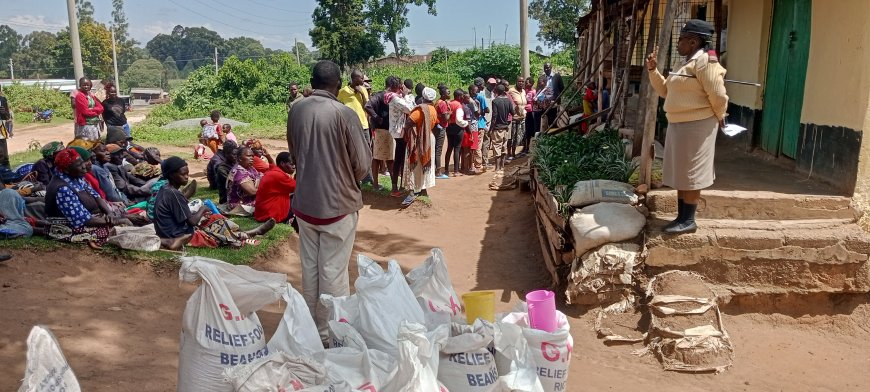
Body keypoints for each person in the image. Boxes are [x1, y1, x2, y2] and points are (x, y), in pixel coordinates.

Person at [286, 60, 371, 340]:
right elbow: (362, 165)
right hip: (337, 205)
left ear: (313, 80)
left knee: (310, 271)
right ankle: (331, 334)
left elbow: (294, 152)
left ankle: (311, 329)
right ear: (338, 84)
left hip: (305, 203)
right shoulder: (344, 114)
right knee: (333, 272)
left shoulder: (296, 109)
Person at [646, 19, 728, 234]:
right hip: (678, 123)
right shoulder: (683, 63)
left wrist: (720, 115)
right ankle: (681, 217)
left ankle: (689, 220)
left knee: (692, 172)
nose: (678, 43)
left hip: (698, 124)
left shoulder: (705, 62)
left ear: (693, 42)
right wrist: (653, 71)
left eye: (681, 39)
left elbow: (718, 94)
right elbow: (665, 91)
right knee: (682, 172)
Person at [153, 156, 275, 250]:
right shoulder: (174, 194)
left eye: (187, 173)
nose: (186, 177)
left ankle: (247, 233)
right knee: (213, 233)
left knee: (215, 218)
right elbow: (191, 222)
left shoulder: (165, 189)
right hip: (177, 234)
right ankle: (242, 236)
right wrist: (203, 209)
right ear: (171, 175)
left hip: (169, 230)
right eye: (183, 174)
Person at [44, 148, 131, 248]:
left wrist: (109, 213)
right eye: (79, 165)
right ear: (67, 169)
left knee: (123, 220)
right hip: (67, 226)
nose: (84, 167)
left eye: (82, 162)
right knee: (118, 228)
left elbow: (96, 196)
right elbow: (83, 220)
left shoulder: (76, 177)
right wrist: (114, 221)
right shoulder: (63, 188)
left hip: (88, 218)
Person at [400, 87, 438, 206]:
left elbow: (408, 123)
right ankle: (423, 190)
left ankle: (412, 192)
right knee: (425, 164)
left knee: (414, 164)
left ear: (422, 97)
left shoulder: (420, 110)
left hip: (419, 140)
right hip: (429, 139)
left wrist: (410, 132)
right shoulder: (433, 109)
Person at [338, 69, 372, 185]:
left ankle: (368, 177)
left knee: (367, 151)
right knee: (352, 152)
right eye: (361, 78)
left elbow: (366, 106)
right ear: (354, 78)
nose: (363, 80)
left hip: (363, 125)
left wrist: (361, 93)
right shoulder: (343, 91)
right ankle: (354, 177)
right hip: (350, 126)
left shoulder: (363, 90)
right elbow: (337, 104)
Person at [387, 76, 415, 197]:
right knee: (399, 158)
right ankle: (395, 187)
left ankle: (400, 185)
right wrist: (407, 94)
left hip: (399, 131)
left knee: (401, 158)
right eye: (401, 85)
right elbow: (410, 109)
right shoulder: (395, 99)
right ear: (398, 86)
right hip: (399, 132)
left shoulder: (395, 97)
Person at [364, 77, 393, 187]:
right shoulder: (381, 95)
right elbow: (367, 106)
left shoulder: (391, 96)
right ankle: (376, 184)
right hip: (381, 131)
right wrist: (377, 118)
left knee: (388, 158)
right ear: (391, 86)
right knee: (377, 157)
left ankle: (393, 184)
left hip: (388, 131)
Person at [254, 151, 297, 223]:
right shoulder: (279, 175)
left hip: (264, 213)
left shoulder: (274, 171)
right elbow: (299, 188)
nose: (294, 167)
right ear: (282, 163)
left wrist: (268, 156)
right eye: (292, 164)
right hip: (270, 216)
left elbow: (272, 165)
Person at [226, 146, 262, 215]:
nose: (251, 158)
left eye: (252, 156)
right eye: (248, 156)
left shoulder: (250, 168)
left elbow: (261, 177)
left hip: (250, 199)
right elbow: (253, 192)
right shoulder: (239, 172)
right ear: (239, 158)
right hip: (240, 205)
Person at [444, 89, 467, 177]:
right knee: (457, 149)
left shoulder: (449, 103)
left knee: (449, 148)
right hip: (457, 128)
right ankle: (456, 170)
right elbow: (459, 120)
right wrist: (466, 123)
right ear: (459, 96)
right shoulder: (458, 105)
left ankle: (446, 169)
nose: (463, 97)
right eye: (462, 96)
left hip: (449, 127)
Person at [490, 84, 513, 173]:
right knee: (504, 147)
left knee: (497, 147)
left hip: (497, 128)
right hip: (506, 127)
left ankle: (497, 167)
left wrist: (491, 128)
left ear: (496, 91)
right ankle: (502, 166)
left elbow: (494, 116)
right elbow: (513, 112)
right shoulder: (508, 101)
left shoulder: (495, 101)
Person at [433, 85, 452, 179]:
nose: (450, 94)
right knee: (438, 149)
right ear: (443, 94)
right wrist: (450, 112)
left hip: (437, 126)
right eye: (448, 93)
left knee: (436, 148)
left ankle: (435, 170)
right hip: (440, 127)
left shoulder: (438, 101)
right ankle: (438, 172)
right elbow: (446, 118)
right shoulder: (443, 104)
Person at [507, 77, 528, 160]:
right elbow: (509, 101)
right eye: (519, 81)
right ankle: (509, 153)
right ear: (516, 82)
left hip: (522, 117)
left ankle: (514, 153)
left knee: (519, 137)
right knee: (512, 136)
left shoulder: (523, 91)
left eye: (522, 81)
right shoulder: (511, 91)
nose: (521, 83)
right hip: (514, 118)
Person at [474, 78, 491, 172]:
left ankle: (477, 164)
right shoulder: (480, 96)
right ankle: (480, 164)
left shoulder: (469, 96)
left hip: (474, 125)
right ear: (479, 85)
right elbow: (487, 110)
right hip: (480, 124)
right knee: (479, 145)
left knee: (476, 145)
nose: (484, 86)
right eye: (483, 84)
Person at [542, 62, 565, 129]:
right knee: (546, 121)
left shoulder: (557, 77)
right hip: (545, 104)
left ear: (551, 68)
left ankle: (554, 135)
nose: (546, 69)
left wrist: (557, 99)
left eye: (548, 67)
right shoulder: (542, 78)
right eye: (545, 68)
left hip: (555, 103)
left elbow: (562, 89)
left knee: (555, 121)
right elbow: (539, 90)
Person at [520, 77, 537, 155]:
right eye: (525, 83)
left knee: (531, 130)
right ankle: (525, 147)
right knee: (526, 131)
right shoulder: (525, 91)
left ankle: (531, 147)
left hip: (531, 113)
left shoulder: (533, 92)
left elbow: (535, 102)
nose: (526, 84)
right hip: (526, 113)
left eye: (527, 83)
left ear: (532, 83)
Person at [0, 85, 11, 169]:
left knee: (3, 155)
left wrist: (4, 112)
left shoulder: (2, 100)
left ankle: (7, 173)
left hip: (1, 130)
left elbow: (8, 117)